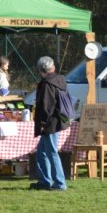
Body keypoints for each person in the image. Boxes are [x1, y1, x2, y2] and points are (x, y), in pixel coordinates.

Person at [30, 55, 71, 191]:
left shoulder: (46, 84)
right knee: (42, 151)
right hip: (57, 120)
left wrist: (42, 123)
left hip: (50, 123)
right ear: (53, 67)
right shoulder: (60, 79)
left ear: (41, 70)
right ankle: (45, 181)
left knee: (51, 152)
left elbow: (45, 107)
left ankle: (60, 183)